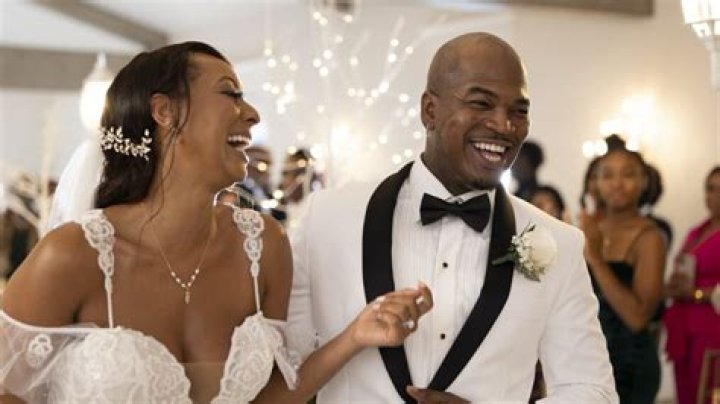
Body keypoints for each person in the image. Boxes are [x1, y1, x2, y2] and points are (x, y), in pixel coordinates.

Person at [0, 41, 433, 403]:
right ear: (164, 111)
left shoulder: (263, 246)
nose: (252, 114)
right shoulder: (73, 255)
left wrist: (354, 337)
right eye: (231, 94)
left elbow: (269, 398)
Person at [288, 32, 617, 402]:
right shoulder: (327, 218)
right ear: (430, 110)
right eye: (481, 103)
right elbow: (284, 375)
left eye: (519, 111)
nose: (504, 126)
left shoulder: (559, 244)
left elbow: (593, 390)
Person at [579, 148, 666, 403]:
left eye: (628, 174)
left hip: (630, 363)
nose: (617, 184)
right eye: (607, 175)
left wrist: (596, 260)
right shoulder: (590, 228)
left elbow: (638, 318)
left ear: (644, 181)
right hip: (589, 359)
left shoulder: (650, 237)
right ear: (594, 182)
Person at [664, 165, 720, 404]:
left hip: (711, 328)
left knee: (707, 393)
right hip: (684, 327)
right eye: (710, 188)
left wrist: (696, 293)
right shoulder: (698, 231)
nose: (714, 195)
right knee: (686, 394)